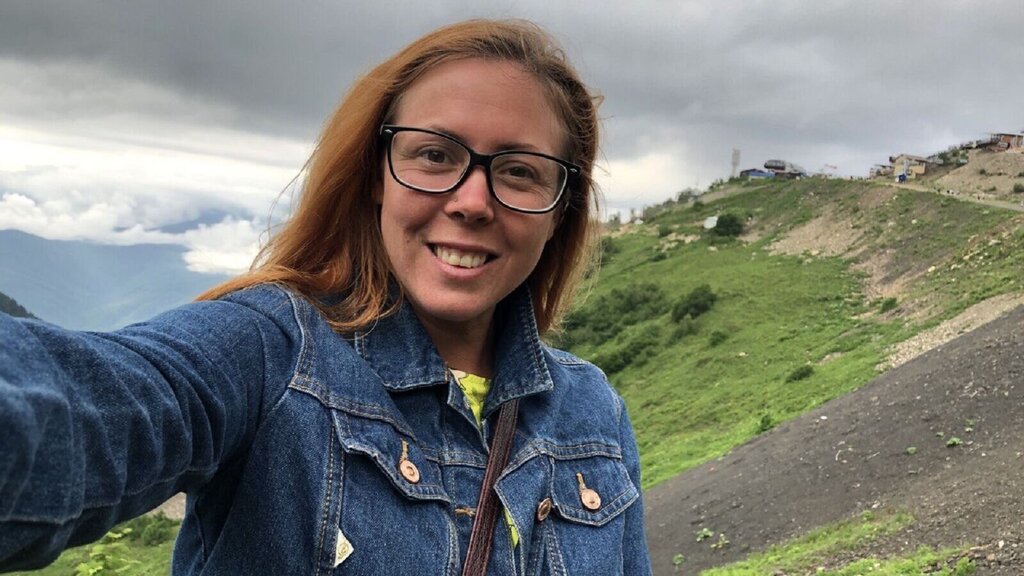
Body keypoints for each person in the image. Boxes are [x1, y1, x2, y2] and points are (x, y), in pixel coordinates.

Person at [0, 19, 651, 575]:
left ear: (559, 210)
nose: (472, 201)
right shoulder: (269, 353)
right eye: (434, 155)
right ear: (375, 176)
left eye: (519, 171)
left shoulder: (593, 413)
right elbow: (91, 405)